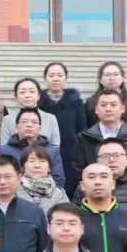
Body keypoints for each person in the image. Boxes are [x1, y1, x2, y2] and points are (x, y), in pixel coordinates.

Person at [73, 139, 127, 231]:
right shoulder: (85, 188)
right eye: (105, 156)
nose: (111, 160)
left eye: (117, 155)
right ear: (97, 160)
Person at [72, 89, 127, 186]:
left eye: (113, 105)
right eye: (103, 105)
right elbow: (78, 170)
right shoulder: (84, 137)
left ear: (122, 108)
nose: (108, 109)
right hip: (96, 191)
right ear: (96, 109)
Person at [39, 62, 88, 191]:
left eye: (60, 75)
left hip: (70, 152)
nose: (56, 79)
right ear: (45, 78)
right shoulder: (38, 101)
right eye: (51, 75)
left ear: (65, 77)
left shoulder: (76, 102)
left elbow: (82, 128)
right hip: (44, 150)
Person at [0, 108, 65, 187]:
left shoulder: (52, 151)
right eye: (24, 121)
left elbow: (58, 180)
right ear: (16, 127)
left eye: (34, 122)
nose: (29, 125)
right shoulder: (3, 151)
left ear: (40, 128)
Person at [0, 78, 61, 147]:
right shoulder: (7, 120)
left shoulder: (50, 118)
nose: (27, 95)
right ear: (16, 97)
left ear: (38, 96)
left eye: (32, 91)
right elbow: (4, 147)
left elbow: (55, 146)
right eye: (22, 92)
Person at [86, 61, 127, 128]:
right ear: (100, 80)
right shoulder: (91, 102)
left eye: (116, 74)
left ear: (122, 78)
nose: (112, 78)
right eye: (107, 75)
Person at [16, 145, 69, 213]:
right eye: (32, 161)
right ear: (23, 167)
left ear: (49, 168)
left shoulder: (60, 194)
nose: (37, 165)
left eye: (42, 161)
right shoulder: (14, 191)